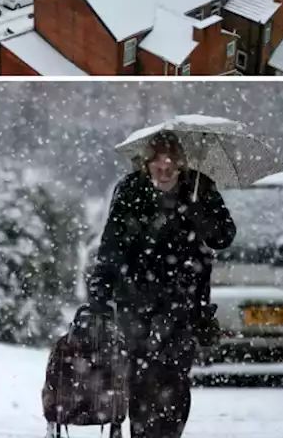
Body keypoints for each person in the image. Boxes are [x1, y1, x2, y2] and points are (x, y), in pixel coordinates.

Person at [87, 130, 237, 438]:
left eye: (171, 165)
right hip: (136, 298)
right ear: (146, 164)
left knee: (175, 378)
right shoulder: (129, 189)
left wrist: (200, 216)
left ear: (181, 164)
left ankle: (169, 433)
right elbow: (112, 242)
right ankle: (142, 433)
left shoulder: (200, 188)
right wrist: (101, 286)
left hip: (185, 301)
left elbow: (224, 236)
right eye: (157, 165)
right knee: (140, 378)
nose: (164, 171)